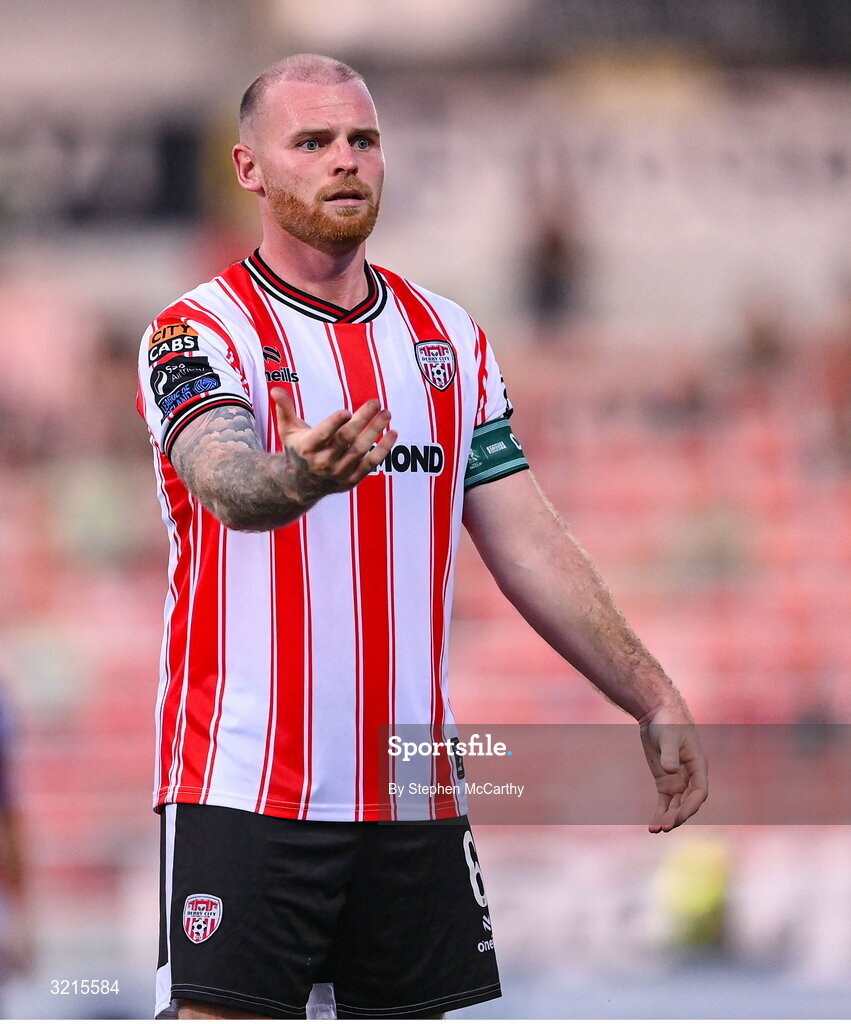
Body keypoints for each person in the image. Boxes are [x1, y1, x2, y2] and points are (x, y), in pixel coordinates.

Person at [136, 54, 708, 1020]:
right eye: (312, 143)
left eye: (362, 139)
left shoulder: (447, 339)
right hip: (243, 788)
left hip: (411, 796)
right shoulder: (198, 333)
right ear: (250, 171)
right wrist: (299, 476)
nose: (346, 161)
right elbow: (225, 483)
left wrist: (649, 690)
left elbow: (527, 539)